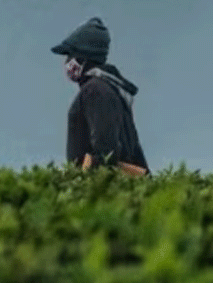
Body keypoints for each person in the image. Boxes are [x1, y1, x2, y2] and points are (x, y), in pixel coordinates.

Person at [50, 16, 149, 173]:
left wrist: (84, 181)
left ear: (83, 58)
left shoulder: (95, 91)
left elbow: (106, 154)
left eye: (70, 55)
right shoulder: (107, 88)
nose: (67, 62)